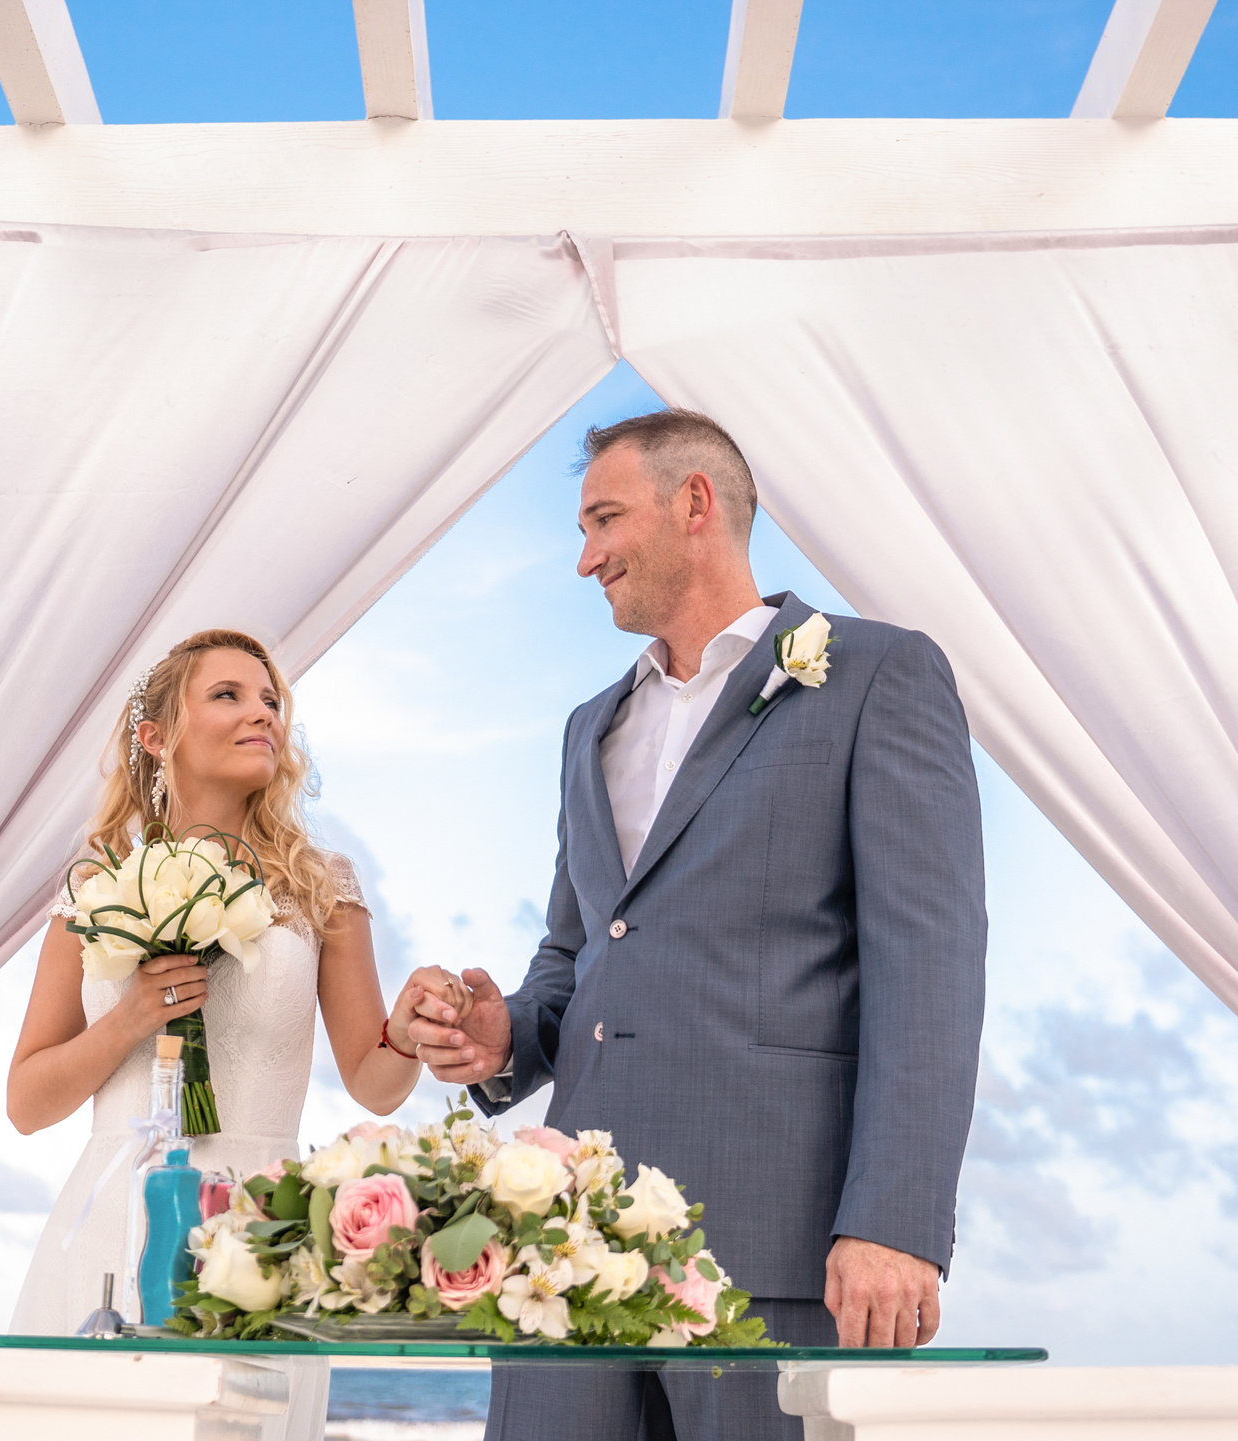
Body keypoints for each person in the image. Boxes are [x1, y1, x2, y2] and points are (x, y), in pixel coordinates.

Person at [409, 411, 988, 1441]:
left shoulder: (875, 675)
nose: (584, 556)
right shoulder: (590, 725)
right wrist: (505, 1035)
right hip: (561, 1263)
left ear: (694, 504)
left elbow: (929, 968)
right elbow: (579, 951)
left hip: (774, 1253)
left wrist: (893, 1221)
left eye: (603, 518)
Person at [5, 630, 435, 1403]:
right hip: (108, 1225)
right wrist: (129, 1018)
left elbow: (375, 1083)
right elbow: (27, 1101)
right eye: (228, 695)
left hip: (261, 1230)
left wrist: (403, 1031)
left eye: (271, 699)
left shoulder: (320, 886)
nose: (262, 713)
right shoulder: (97, 886)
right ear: (155, 734)